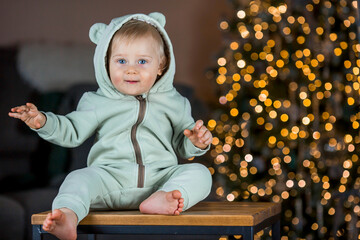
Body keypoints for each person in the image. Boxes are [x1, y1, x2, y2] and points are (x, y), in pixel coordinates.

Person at [9, 12, 213, 240]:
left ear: (161, 65)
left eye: (142, 61)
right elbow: (72, 130)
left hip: (160, 179)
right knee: (77, 179)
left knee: (200, 173)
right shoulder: (97, 101)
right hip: (108, 181)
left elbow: (183, 145)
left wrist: (195, 142)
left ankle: (165, 199)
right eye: (121, 61)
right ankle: (67, 215)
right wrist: (43, 121)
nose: (131, 69)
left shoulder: (175, 102)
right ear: (106, 63)